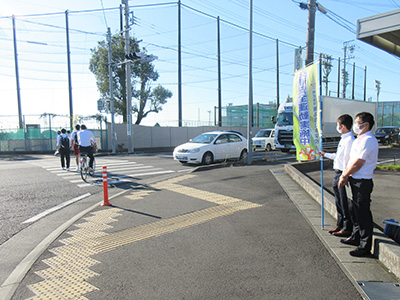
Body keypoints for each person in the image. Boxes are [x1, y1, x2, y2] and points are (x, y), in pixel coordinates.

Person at [339, 112, 378, 257]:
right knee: (354, 210)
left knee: (362, 214)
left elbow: (358, 163)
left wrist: (345, 175)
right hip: (354, 180)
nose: (355, 125)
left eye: (357, 122)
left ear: (366, 124)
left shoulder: (368, 139)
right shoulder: (360, 139)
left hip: (362, 181)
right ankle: (356, 237)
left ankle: (364, 245)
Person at [321, 114, 354, 237]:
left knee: (344, 202)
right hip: (338, 172)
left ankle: (346, 227)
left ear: (343, 126)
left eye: (338, 124)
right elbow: (338, 156)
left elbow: (348, 161)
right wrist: (325, 154)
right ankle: (340, 224)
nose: (337, 127)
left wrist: (344, 176)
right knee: (338, 202)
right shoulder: (344, 138)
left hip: (343, 174)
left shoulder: (350, 140)